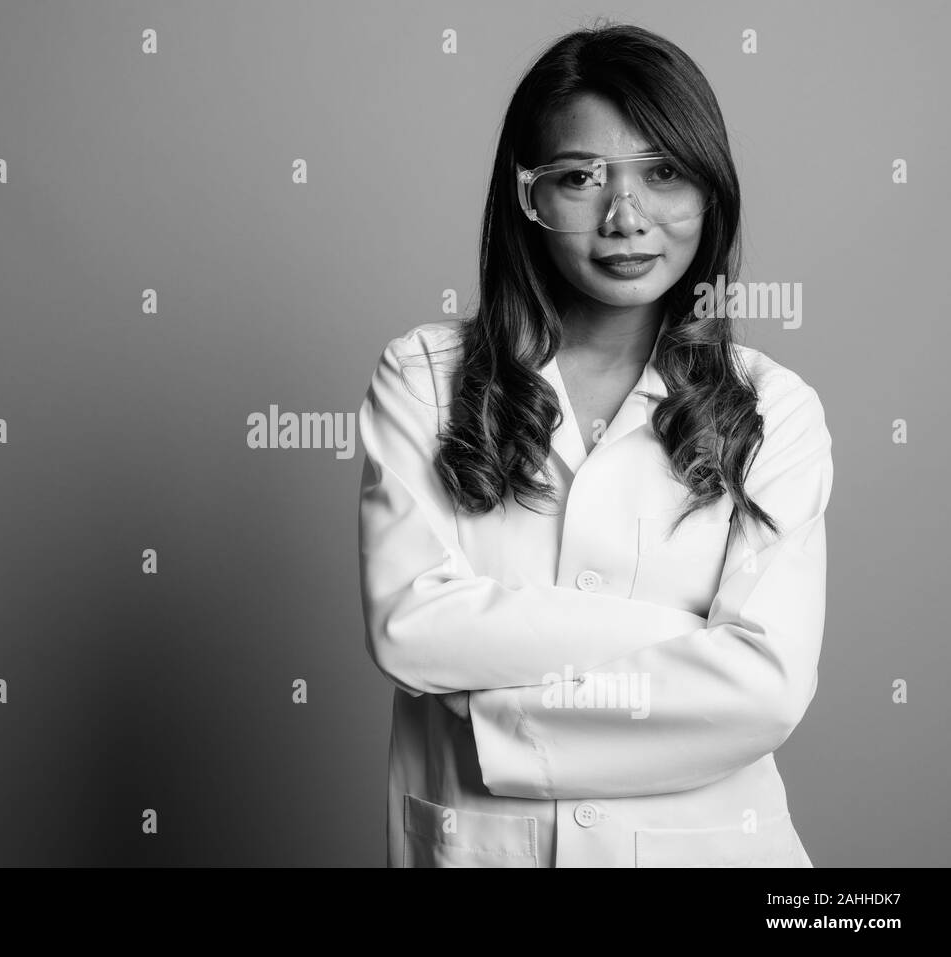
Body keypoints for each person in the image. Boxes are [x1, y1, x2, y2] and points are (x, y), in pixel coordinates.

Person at [356, 21, 833, 867]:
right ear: (527, 196)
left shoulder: (775, 410)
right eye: (579, 177)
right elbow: (410, 628)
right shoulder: (424, 377)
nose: (626, 218)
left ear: (708, 193)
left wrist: (502, 707)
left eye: (665, 174)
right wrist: (681, 638)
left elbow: (764, 691)